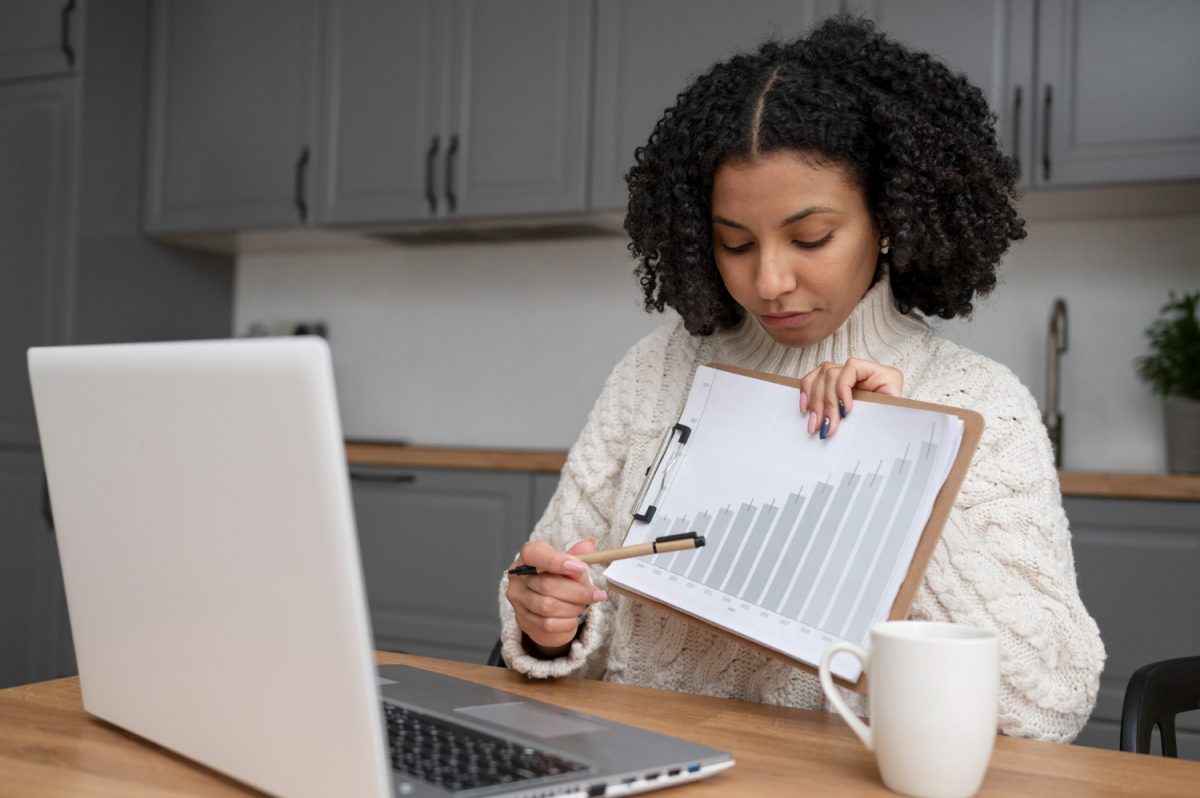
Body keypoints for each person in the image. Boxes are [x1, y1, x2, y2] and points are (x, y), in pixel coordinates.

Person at [497, 15, 1104, 742]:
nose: (770, 280)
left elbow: (1048, 706)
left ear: (889, 219)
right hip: (650, 767)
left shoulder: (982, 404)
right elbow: (556, 593)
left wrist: (909, 464)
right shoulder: (656, 371)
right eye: (735, 243)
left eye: (811, 238)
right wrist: (549, 622)